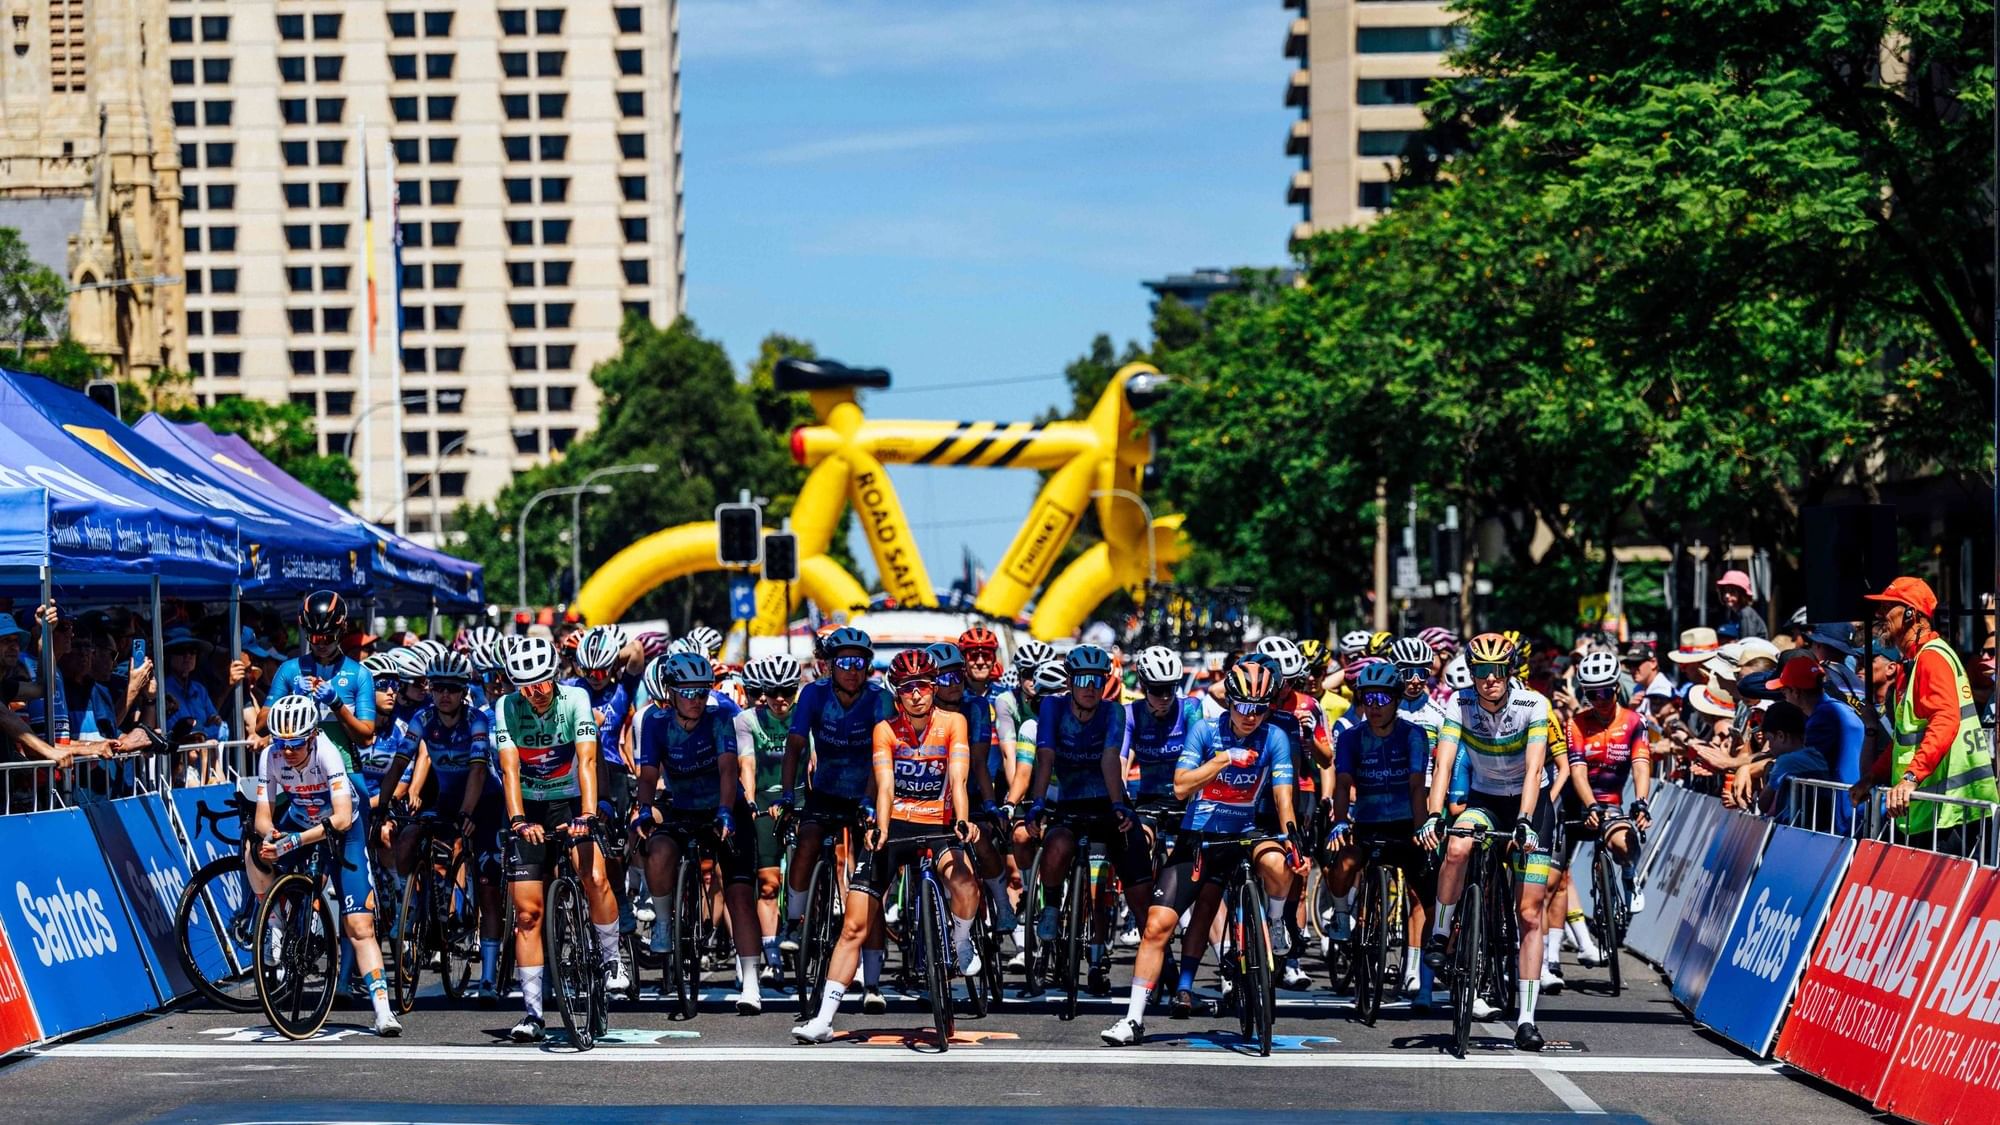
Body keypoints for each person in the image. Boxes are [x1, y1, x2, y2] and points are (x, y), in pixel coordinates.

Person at [1099, 659, 1296, 1044]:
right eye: (1243, 706)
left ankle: (1274, 921)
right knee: (1157, 925)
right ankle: (1133, 1019)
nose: (1251, 716)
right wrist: (1223, 759)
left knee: (1278, 862)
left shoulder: (1274, 737)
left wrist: (1293, 839)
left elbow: (1282, 796)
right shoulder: (1205, 731)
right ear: (1230, 702)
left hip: (1246, 832)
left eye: (1260, 708)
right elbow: (1180, 786)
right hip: (1199, 836)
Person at [792, 649, 979, 1043]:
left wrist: (963, 820)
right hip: (895, 827)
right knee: (854, 924)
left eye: (925, 687)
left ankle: (962, 942)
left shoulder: (954, 723)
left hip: (939, 826)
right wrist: (878, 826)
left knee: (963, 882)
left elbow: (959, 779)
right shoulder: (886, 730)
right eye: (909, 688)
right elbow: (886, 785)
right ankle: (824, 1019)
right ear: (897, 693)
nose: (917, 695)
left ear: (934, 689)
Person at [1420, 632, 1555, 1051]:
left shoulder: (1533, 704)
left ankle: (1527, 1020)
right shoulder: (1458, 703)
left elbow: (1534, 770)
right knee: (1458, 846)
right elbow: (1442, 764)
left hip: (1531, 804)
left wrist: (1527, 822)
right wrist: (1433, 814)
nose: (1488, 680)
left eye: (1497, 671)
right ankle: (1441, 933)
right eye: (1480, 671)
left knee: (1529, 913)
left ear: (1509, 671)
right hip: (1486, 799)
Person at [492, 634, 621, 1041]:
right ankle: (532, 1013)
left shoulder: (576, 700)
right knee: (527, 914)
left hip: (569, 799)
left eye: (543, 684)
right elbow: (510, 769)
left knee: (595, 877)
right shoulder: (506, 708)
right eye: (526, 687)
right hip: (529, 805)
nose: (537, 693)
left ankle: (611, 959)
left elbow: (586, 759)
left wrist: (587, 814)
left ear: (555, 677)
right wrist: (516, 820)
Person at [252, 694, 401, 1036]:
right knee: (253, 852)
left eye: (295, 743)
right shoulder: (270, 756)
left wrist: (296, 841)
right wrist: (271, 836)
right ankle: (274, 921)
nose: (287, 750)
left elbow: (345, 817)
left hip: (341, 832)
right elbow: (263, 816)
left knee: (359, 926)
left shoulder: (328, 752)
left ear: (313, 735)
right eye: (281, 742)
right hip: (301, 822)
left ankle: (382, 1010)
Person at [632, 651, 765, 1015]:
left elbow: (727, 770)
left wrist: (725, 811)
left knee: (739, 895)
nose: (695, 699)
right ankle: (663, 921)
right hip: (682, 804)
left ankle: (751, 982)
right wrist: (644, 809)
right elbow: (647, 775)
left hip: (724, 804)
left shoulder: (721, 716)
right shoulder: (655, 723)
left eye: (702, 691)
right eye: (687, 692)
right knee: (656, 849)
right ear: (671, 693)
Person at [1025, 644, 1155, 998]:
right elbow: (1046, 756)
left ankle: (1162, 961)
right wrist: (1037, 802)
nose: (1090, 687)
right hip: (1068, 802)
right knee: (1057, 845)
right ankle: (1051, 905)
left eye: (1097, 680)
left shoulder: (1113, 713)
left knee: (1138, 879)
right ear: (1070, 681)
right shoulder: (1052, 707)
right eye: (1082, 680)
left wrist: (1118, 805)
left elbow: (1111, 759)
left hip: (1106, 801)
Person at [776, 626, 895, 1006]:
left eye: (859, 663)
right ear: (829, 666)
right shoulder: (813, 694)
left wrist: (873, 803)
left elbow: (884, 759)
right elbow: (794, 748)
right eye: (844, 662)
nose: (852, 670)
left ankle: (872, 983)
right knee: (807, 842)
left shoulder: (879, 699)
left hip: (865, 794)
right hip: (825, 792)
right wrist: (789, 795)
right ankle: (793, 922)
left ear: (868, 666)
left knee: (868, 882)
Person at [1853, 577, 1995, 852]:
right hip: (1936, 814)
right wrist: (1873, 776)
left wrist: (1909, 779)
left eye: (1889, 607)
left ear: (1911, 614)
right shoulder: (1916, 663)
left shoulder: (1931, 658)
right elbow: (1905, 738)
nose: (1881, 616)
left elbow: (1945, 720)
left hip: (1953, 815)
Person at [1324, 661, 1435, 1009]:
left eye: (1382, 698)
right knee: (1341, 863)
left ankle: (1421, 976)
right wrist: (1340, 821)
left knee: (1428, 897)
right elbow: (1342, 783)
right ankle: (1342, 913)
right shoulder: (1351, 737)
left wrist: (1421, 829)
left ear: (1397, 700)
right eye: (1367, 698)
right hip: (1367, 823)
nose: (1374, 705)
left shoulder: (1414, 735)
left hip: (1405, 822)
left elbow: (1418, 786)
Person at [402, 650, 508, 1000]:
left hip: (486, 801)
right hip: (447, 798)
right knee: (412, 836)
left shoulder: (477, 720)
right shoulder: (423, 718)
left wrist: (467, 814)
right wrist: (388, 804)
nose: (444, 694)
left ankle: (489, 977)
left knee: (489, 886)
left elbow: (479, 770)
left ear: (464, 691)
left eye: (452, 687)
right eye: (437, 687)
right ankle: (428, 909)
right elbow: (403, 760)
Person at [1557, 651, 1652, 976]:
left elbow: (1641, 766)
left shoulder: (1634, 723)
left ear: (1617, 688)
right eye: (1590, 693)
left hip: (1609, 801)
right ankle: (1556, 950)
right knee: (1555, 874)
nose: (1599, 699)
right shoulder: (1577, 723)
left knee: (1624, 843)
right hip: (1576, 802)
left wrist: (1641, 801)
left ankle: (1628, 874)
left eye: (1606, 692)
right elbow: (1578, 772)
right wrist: (1590, 806)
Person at [1256, 635, 1331, 988]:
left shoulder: (1308, 704)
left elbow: (1326, 758)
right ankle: (1254, 945)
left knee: (1297, 874)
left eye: (1287, 682)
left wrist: (1307, 735)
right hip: (1255, 793)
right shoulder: (1252, 699)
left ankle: (1293, 959)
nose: (1279, 689)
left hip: (1299, 790)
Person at [565, 626, 638, 955]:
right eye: (588, 671)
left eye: (601, 671)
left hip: (612, 771)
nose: (594, 677)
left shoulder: (622, 689)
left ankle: (619, 898)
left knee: (611, 848)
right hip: (575, 771)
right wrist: (587, 664)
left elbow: (637, 652)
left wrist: (609, 659)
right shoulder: (570, 687)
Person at [738, 653, 802, 983]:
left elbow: (815, 758)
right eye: (773, 692)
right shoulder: (747, 720)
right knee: (768, 883)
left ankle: (801, 927)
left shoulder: (805, 714)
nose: (780, 700)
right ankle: (770, 949)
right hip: (764, 796)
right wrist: (749, 800)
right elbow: (746, 764)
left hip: (801, 793)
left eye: (787, 692)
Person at [265, 591, 377, 774]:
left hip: (344, 769)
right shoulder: (289, 670)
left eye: (329, 637)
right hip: (296, 773)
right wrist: (293, 700)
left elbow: (365, 738)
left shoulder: (360, 674)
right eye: (315, 638)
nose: (322, 644)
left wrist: (337, 704)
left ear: (343, 629)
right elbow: (261, 727)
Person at [1715, 570, 1769, 640]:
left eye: (1732, 592)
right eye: (1725, 591)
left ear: (1742, 594)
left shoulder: (1745, 613)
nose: (1727, 595)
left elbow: (1747, 642)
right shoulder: (1737, 613)